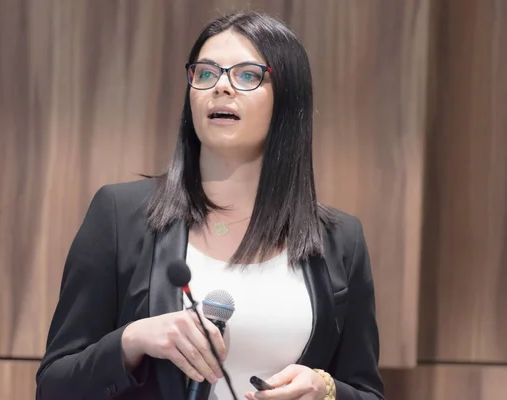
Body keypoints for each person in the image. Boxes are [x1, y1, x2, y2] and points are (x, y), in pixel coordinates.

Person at [35, 10, 385, 400]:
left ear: (288, 98)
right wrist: (132, 340)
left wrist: (326, 389)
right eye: (205, 73)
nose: (221, 87)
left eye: (247, 75)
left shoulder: (341, 240)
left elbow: (367, 391)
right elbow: (54, 386)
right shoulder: (120, 215)